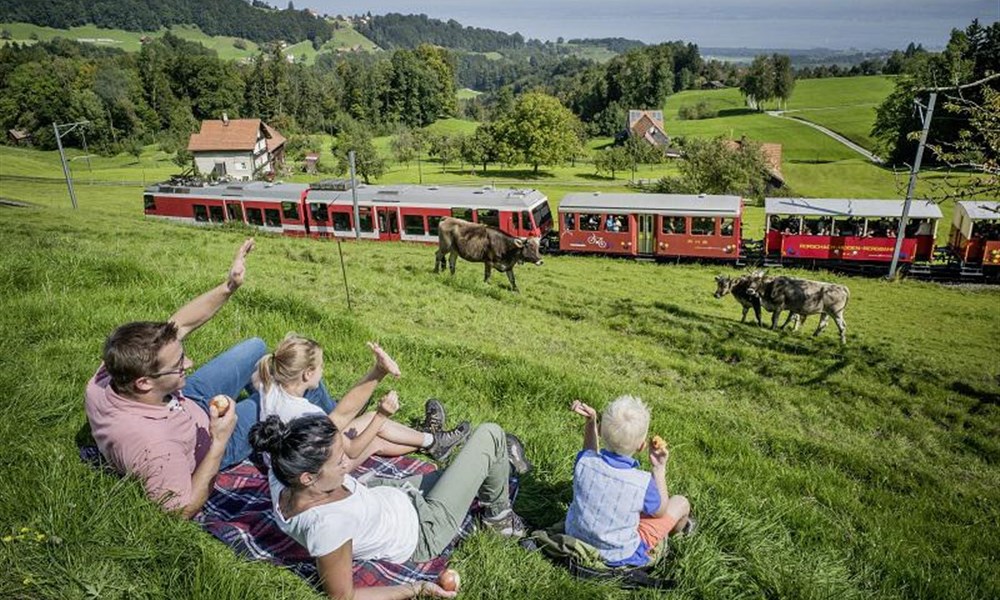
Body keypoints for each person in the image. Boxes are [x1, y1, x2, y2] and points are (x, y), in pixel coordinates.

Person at [85, 238, 272, 518]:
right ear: (144, 382)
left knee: (256, 346)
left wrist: (229, 286)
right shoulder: (155, 446)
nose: (191, 363)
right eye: (179, 364)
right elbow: (181, 510)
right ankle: (335, 423)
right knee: (285, 393)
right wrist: (219, 440)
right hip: (209, 437)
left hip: (184, 398)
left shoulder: (107, 374)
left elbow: (180, 324)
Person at [249, 414, 528, 599]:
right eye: (339, 462)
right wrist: (415, 587)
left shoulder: (282, 474)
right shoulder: (329, 526)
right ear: (308, 478)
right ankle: (499, 519)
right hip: (423, 526)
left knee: (479, 464)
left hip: (391, 493)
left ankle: (496, 467)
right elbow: (342, 596)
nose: (348, 462)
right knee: (490, 435)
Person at [256, 333, 470, 466]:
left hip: (284, 463)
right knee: (375, 436)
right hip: (318, 474)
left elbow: (341, 416)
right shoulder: (308, 415)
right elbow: (352, 449)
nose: (324, 369)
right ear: (307, 374)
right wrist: (381, 415)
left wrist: (379, 370)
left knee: (364, 422)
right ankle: (434, 441)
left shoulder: (268, 383)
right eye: (321, 366)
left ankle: (432, 441)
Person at [565, 396, 693, 568]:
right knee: (680, 503)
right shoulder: (642, 482)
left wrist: (591, 422)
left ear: (601, 430)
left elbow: (590, 452)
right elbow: (660, 511)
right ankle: (675, 535)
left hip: (575, 537)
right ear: (641, 446)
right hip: (619, 554)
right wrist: (659, 469)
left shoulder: (584, 462)